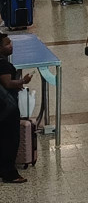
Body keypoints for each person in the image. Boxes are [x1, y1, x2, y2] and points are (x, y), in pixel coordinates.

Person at [0, 32, 32, 183]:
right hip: (7, 109)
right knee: (10, 139)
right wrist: (22, 81)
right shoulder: (4, 64)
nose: (11, 45)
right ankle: (10, 173)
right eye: (7, 44)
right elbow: (7, 83)